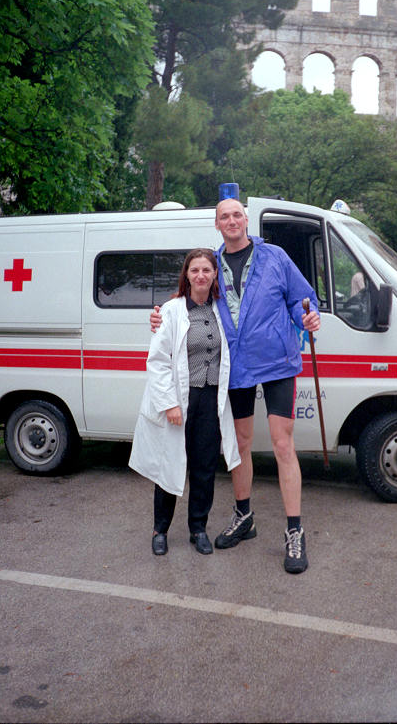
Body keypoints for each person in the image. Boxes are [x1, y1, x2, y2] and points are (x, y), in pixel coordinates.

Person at [150, 198, 320, 574]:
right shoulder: (211, 263)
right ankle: (244, 517)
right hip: (237, 367)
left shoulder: (275, 256)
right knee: (240, 443)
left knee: (282, 444)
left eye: (236, 215)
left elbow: (301, 299)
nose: (231, 221)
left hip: (277, 363)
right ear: (217, 224)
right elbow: (188, 298)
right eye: (224, 216)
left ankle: (295, 532)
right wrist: (160, 315)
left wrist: (307, 317)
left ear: (246, 219)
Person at [130, 249, 241, 557]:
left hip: (211, 399)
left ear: (215, 274)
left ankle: (198, 529)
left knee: (205, 467)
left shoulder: (223, 311)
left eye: (206, 270)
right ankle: (160, 530)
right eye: (195, 270)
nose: (201, 275)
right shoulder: (171, 311)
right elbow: (157, 361)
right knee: (170, 464)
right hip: (181, 398)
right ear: (187, 275)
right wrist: (169, 404)